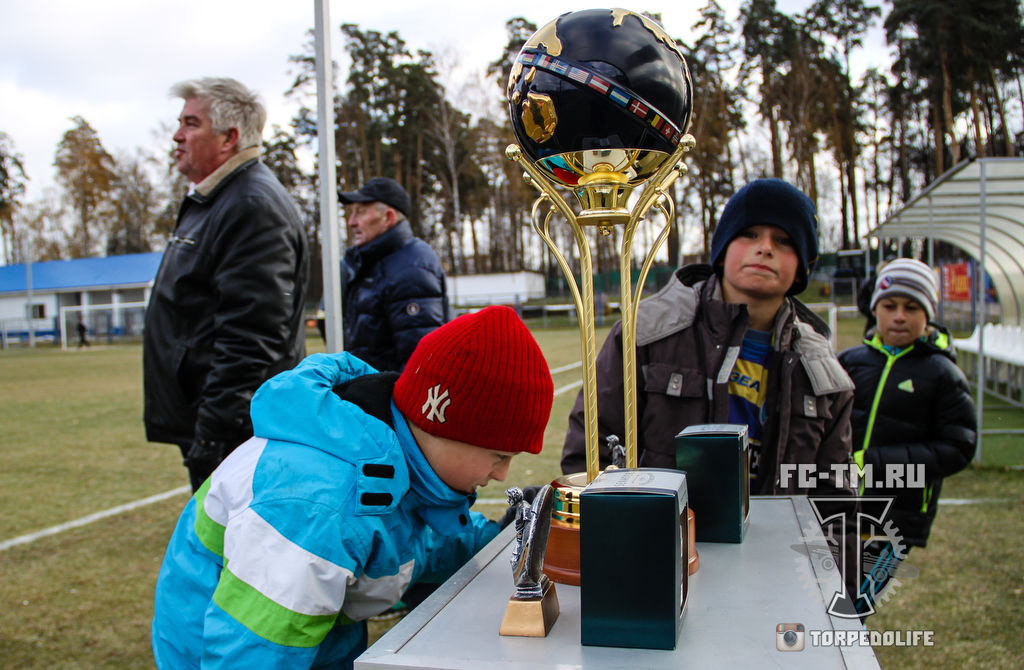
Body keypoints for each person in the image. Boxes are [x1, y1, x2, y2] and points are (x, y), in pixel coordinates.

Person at [151, 306, 553, 670]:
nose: (502, 475)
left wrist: (500, 535)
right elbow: (257, 651)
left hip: (319, 646)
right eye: (499, 455)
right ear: (441, 421)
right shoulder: (317, 508)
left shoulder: (397, 466)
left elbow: (418, 546)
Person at [562, 178, 855, 497]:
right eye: (750, 233)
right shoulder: (644, 333)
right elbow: (590, 454)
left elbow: (836, 500)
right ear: (722, 248)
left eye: (784, 240)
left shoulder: (825, 374)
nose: (765, 247)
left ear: (801, 268)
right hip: (660, 543)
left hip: (783, 547)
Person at [144, 77, 309, 493]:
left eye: (191, 123)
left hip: (235, 436)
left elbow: (250, 338)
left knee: (234, 553)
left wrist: (214, 435)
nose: (177, 135)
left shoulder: (249, 205)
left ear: (229, 137)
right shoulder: (215, 201)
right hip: (218, 428)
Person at [838, 258, 976, 611]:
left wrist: (872, 464)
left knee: (853, 607)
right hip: (836, 509)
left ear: (928, 314)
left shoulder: (943, 373)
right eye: (890, 306)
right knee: (824, 598)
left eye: (912, 307)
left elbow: (958, 447)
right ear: (875, 310)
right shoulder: (849, 362)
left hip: (896, 521)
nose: (899, 316)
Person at [339, 177, 447, 372]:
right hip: (370, 394)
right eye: (351, 213)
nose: (351, 222)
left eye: (360, 212)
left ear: (388, 217)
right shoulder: (367, 262)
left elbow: (419, 364)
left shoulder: (410, 268)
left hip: (388, 399)